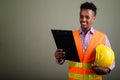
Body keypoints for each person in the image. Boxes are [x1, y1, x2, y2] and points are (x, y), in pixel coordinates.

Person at [54, 2, 115, 80]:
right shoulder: (71, 36)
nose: (83, 19)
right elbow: (61, 60)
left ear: (94, 18)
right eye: (81, 16)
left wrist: (107, 70)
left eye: (87, 17)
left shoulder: (102, 37)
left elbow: (111, 61)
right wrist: (58, 57)